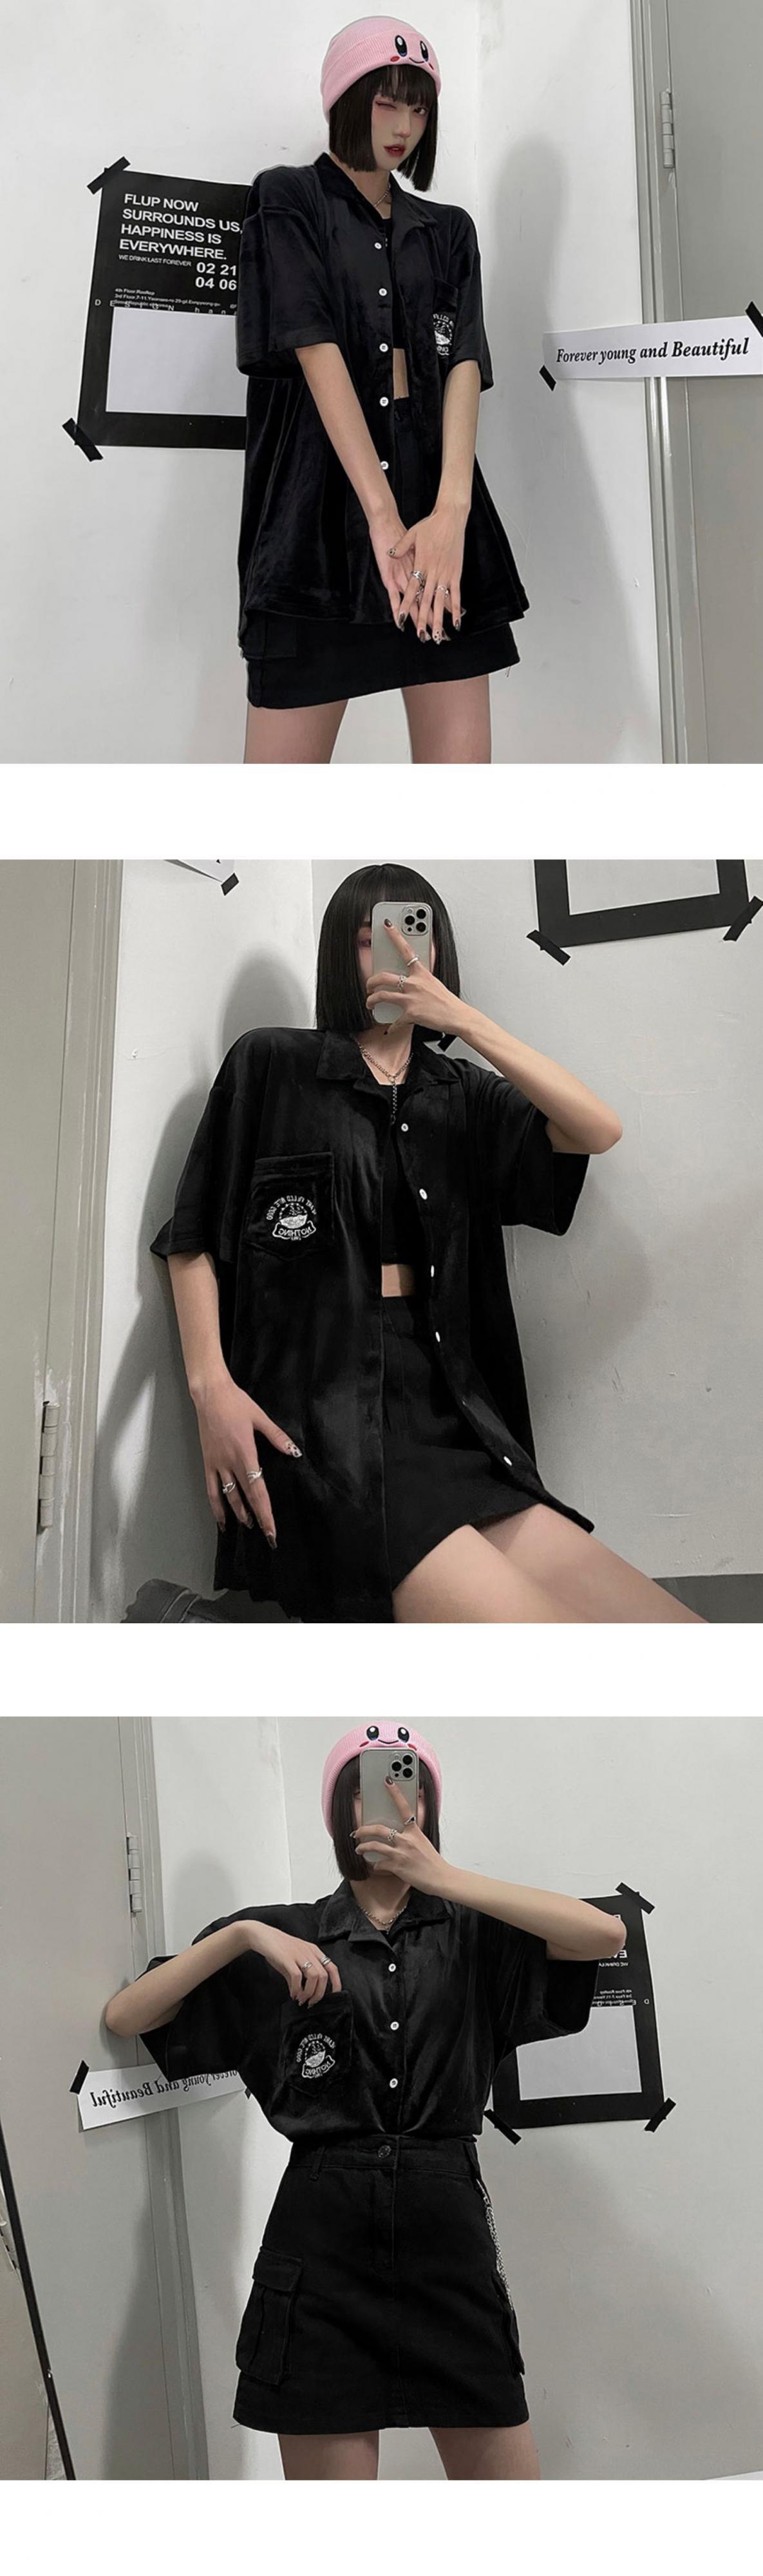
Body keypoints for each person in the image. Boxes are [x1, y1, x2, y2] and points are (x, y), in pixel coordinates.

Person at [151, 863, 703, 1624]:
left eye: (416, 935)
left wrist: (465, 1021)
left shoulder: (461, 1093)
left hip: (451, 1411)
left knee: (678, 1634)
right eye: (368, 939)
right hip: (326, 1422)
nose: (398, 955)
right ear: (338, 955)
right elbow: (192, 1237)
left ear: (439, 952)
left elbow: (596, 1129)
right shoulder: (273, 1064)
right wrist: (211, 1392)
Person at [106, 1724, 628, 2482]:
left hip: (447, 2237)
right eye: (364, 1791)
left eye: (406, 1786)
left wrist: (445, 1877)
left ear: (430, 1807)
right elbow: (128, 2016)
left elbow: (604, 1934)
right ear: (336, 1814)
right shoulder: (286, 1936)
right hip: (322, 2244)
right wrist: (244, 1935)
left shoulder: (476, 1934)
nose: (390, 1805)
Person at [236, 16, 529, 764]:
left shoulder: (449, 231)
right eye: (386, 103)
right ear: (346, 98)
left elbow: (462, 361)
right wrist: (382, 517)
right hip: (317, 532)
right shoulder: (287, 199)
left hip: (438, 528)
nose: (404, 127)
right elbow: (314, 348)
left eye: (419, 109)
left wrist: (451, 515)